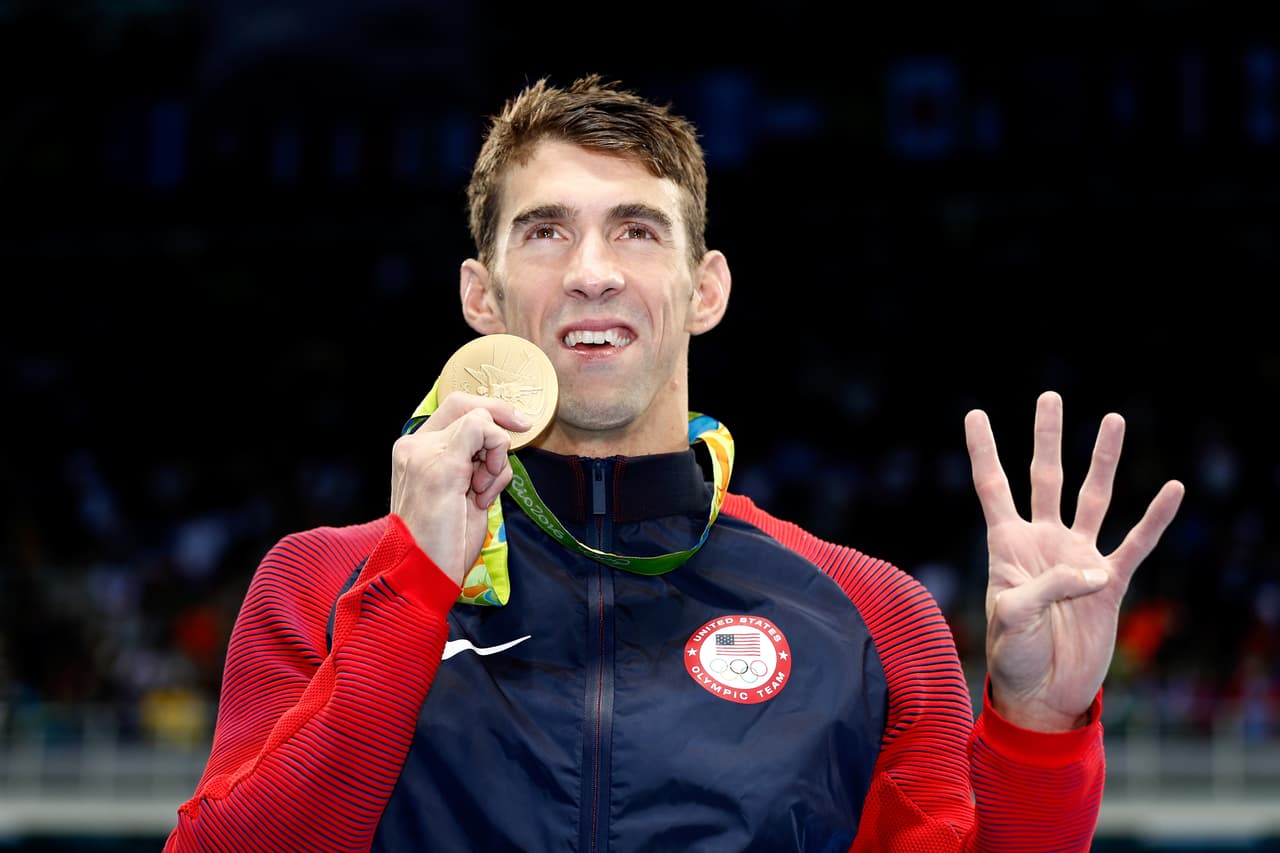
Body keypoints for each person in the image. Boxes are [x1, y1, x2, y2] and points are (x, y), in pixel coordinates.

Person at [164, 74, 1185, 852]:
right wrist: (411, 586)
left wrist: (1039, 731)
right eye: (545, 231)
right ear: (481, 295)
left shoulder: (873, 617)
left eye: (637, 231)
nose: (593, 271)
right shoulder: (321, 584)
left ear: (705, 290)